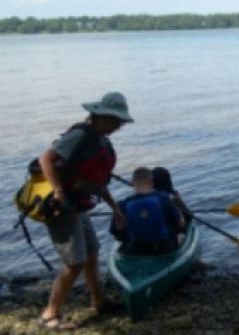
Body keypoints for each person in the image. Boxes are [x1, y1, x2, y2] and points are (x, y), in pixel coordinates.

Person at [37, 91, 132, 331]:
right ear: (98, 116)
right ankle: (49, 314)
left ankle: (99, 302)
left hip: (79, 205)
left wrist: (115, 208)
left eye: (119, 122)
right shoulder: (80, 135)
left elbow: (97, 182)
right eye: (113, 120)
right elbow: (45, 160)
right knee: (74, 262)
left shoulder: (102, 141)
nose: (117, 126)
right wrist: (58, 191)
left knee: (92, 253)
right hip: (61, 207)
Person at [111, 167, 185, 254]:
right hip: (164, 250)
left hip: (134, 251)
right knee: (181, 236)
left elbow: (116, 236)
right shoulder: (164, 198)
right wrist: (179, 213)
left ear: (132, 183)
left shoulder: (121, 205)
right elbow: (180, 225)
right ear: (152, 182)